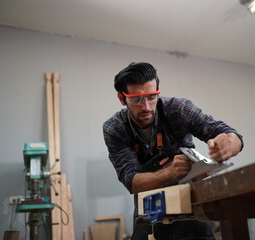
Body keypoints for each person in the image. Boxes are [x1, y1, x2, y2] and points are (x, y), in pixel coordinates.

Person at [103, 62, 243, 240]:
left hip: (188, 198)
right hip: (148, 204)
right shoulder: (115, 129)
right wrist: (170, 172)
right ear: (122, 99)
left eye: (152, 97)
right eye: (137, 99)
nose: (146, 106)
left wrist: (231, 142)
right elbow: (131, 182)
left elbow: (226, 132)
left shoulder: (178, 109)